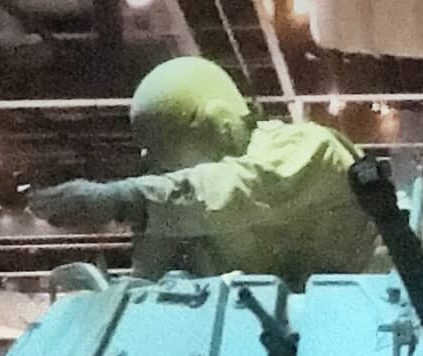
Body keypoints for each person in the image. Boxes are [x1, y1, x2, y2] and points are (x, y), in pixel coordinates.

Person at [30, 58, 375, 291]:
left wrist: (119, 199)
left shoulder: (306, 148)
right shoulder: (187, 212)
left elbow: (232, 188)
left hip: (377, 307)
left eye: (176, 162)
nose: (172, 175)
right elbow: (154, 280)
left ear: (220, 125)